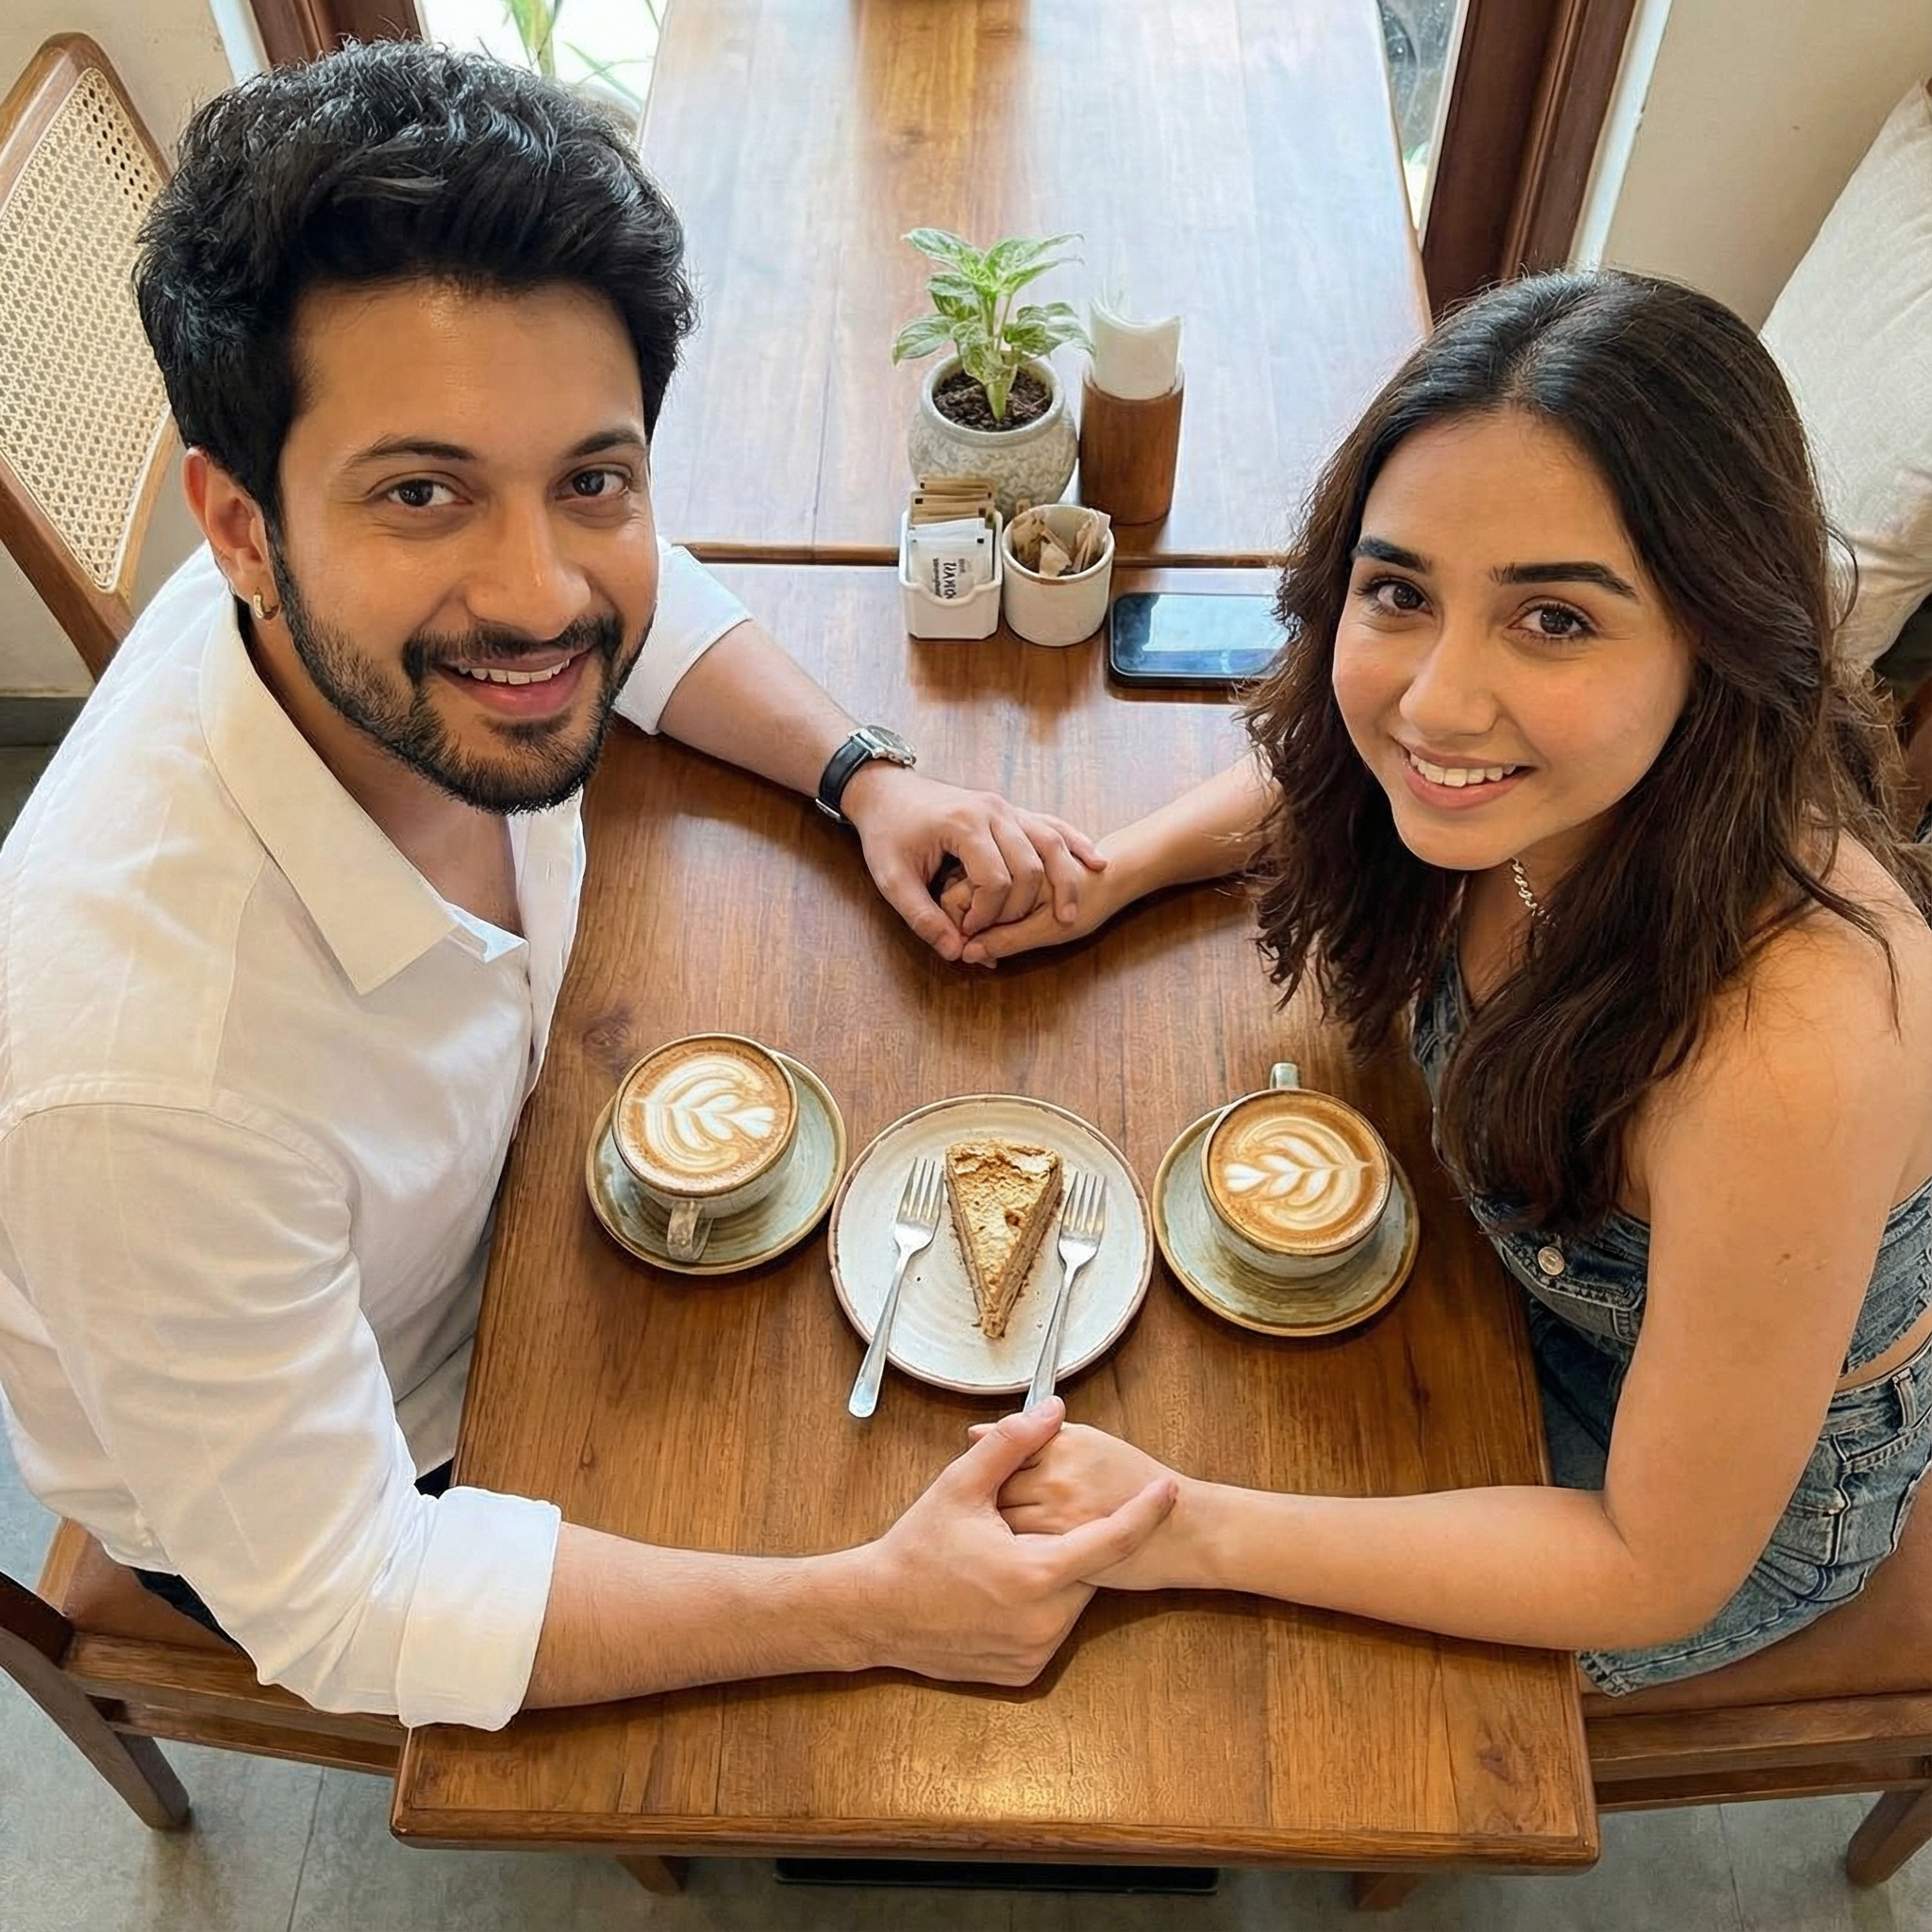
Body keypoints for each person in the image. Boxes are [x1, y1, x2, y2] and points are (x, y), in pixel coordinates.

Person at [0, 41, 1175, 1730]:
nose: (541, 594)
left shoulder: (385, 615)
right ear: (241, 529)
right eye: (424, 494)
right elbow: (347, 1600)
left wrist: (867, 776)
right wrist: (869, 1608)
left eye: (589, 478)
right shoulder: (147, 1090)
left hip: (531, 1166)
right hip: (395, 1440)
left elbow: (634, 589)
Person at [961, 271, 1932, 1693]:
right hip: (1504, 1287)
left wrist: (1185, 1527)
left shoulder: (1791, 1044)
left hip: (1704, 1504)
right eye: (1401, 592)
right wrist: (1112, 869)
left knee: (1248, 1700)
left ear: (1721, 632)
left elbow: (1655, 1567)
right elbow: (1370, 762)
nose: (1436, 700)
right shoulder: (1534, 773)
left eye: (1556, 620)